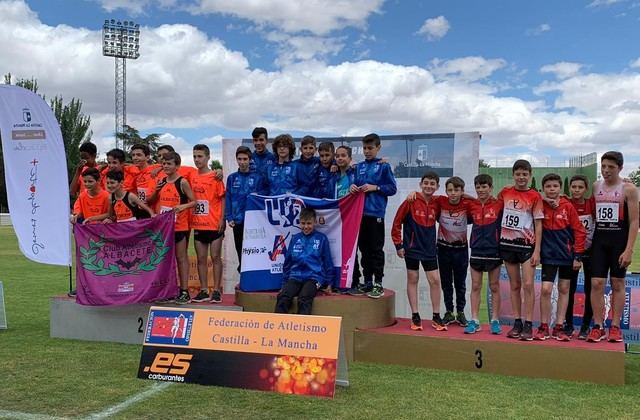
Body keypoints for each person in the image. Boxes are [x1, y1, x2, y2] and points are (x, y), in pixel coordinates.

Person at [588, 151, 639, 343]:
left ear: (620, 168)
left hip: (619, 242)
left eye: (611, 167)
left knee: (617, 283)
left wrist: (629, 249)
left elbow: (634, 222)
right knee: (596, 284)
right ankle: (598, 326)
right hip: (600, 242)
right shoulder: (596, 186)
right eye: (604, 166)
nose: (606, 170)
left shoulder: (629, 189)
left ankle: (615, 326)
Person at [391, 172, 447, 331]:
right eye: (426, 183)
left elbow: (457, 199)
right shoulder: (411, 200)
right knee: (413, 278)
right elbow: (396, 223)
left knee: (435, 280)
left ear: (437, 186)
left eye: (432, 184)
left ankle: (436, 316)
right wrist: (398, 245)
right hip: (412, 247)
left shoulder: (438, 202)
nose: (429, 186)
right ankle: (415, 315)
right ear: (421, 184)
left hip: (429, 248)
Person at [534, 174, 586, 341]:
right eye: (548, 186)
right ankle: (543, 326)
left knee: (564, 289)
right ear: (543, 189)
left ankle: (559, 326)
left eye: (555, 186)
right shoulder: (540, 204)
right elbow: (531, 195)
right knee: (546, 290)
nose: (552, 189)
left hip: (566, 255)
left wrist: (578, 255)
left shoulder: (567, 206)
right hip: (548, 256)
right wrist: (543, 198)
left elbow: (579, 231)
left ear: (560, 188)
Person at [498, 159, 544, 341]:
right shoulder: (505, 192)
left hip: (526, 246)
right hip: (508, 245)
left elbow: (539, 224)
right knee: (515, 285)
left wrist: (537, 250)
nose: (521, 177)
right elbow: (493, 205)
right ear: (513, 175)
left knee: (528, 285)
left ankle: (528, 323)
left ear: (530, 176)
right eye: (518, 174)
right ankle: (517, 322)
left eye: (525, 174)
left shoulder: (535, 196)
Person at [348, 133, 397, 299]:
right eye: (365, 148)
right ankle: (367, 281)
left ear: (378, 148)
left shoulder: (384, 166)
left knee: (376, 250)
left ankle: (378, 284)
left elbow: (392, 188)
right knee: (364, 249)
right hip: (359, 214)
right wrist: (352, 187)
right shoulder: (359, 166)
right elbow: (352, 183)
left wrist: (375, 187)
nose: (367, 151)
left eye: (370, 148)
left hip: (376, 213)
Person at [147, 151, 196, 305]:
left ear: (177, 166)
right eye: (164, 164)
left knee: (181, 258)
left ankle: (184, 291)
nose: (166, 166)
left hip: (179, 226)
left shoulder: (182, 182)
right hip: (164, 227)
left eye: (169, 164)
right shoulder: (161, 181)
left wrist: (182, 206)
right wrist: (156, 189)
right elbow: (152, 200)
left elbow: (194, 201)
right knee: (165, 259)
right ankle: (168, 290)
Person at [274, 208, 334, 315]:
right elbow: (287, 263)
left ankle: (302, 330)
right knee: (283, 296)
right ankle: (278, 329)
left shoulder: (321, 239)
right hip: (295, 276)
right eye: (303, 223)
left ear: (315, 222)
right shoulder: (295, 238)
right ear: (299, 223)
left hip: (314, 278)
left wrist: (329, 283)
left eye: (309, 223)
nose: (306, 227)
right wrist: (283, 285)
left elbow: (328, 261)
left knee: (304, 297)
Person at [465, 174, 503, 335]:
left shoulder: (499, 204)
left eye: (484, 186)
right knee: (475, 286)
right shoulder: (471, 205)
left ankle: (494, 320)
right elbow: (455, 199)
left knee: (494, 286)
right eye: (478, 187)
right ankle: (474, 320)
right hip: (476, 251)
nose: (481, 190)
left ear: (491, 187)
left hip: (494, 251)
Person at [189, 144, 226, 304]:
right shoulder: (191, 176)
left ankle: (216, 290)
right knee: (201, 258)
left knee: (216, 257)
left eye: (200, 156)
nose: (197, 160)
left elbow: (223, 199)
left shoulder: (215, 177)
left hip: (214, 224)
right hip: (199, 225)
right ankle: (204, 290)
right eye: (195, 156)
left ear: (208, 157)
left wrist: (222, 219)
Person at [435, 176, 470, 327]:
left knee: (460, 283)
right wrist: (413, 195)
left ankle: (461, 312)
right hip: (443, 249)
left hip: (461, 250)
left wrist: (468, 196)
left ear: (462, 191)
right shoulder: (440, 201)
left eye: (456, 190)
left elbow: (484, 202)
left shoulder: (468, 204)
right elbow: (426, 197)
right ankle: (449, 312)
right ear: (446, 191)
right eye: (450, 190)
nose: (453, 193)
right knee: (446, 283)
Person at [225, 146, 264, 273]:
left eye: (245, 159)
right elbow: (228, 198)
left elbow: (262, 199)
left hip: (253, 222)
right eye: (239, 159)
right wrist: (229, 217)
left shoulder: (258, 178)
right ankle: (243, 276)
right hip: (238, 221)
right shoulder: (232, 178)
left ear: (250, 159)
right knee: (240, 250)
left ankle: (252, 276)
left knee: (253, 251)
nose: (242, 162)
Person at [567, 175, 596, 339]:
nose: (577, 190)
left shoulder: (591, 203)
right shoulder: (565, 203)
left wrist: (626, 183)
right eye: (574, 187)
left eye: (580, 187)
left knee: (589, 289)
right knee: (568, 289)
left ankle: (586, 325)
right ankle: (568, 324)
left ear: (585, 189)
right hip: (571, 252)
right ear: (570, 188)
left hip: (591, 251)